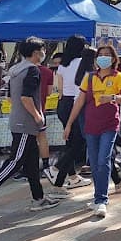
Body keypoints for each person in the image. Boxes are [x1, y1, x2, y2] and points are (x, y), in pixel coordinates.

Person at [0, 37, 60, 223]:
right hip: (26, 123)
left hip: (19, 121)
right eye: (42, 50)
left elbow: (10, 96)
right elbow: (26, 98)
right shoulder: (32, 70)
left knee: (32, 163)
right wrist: (38, 117)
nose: (43, 53)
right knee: (14, 163)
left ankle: (39, 199)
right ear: (35, 52)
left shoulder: (15, 69)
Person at [63, 44, 121, 218]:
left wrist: (113, 97)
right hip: (91, 125)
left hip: (110, 124)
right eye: (101, 55)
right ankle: (98, 197)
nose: (104, 58)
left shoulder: (119, 77)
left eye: (108, 55)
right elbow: (79, 101)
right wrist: (69, 123)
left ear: (114, 58)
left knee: (103, 159)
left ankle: (101, 199)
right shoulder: (90, 78)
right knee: (94, 163)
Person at [50, 42, 93, 194]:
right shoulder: (83, 62)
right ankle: (56, 168)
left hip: (62, 104)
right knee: (79, 141)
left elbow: (60, 89)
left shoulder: (62, 65)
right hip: (76, 103)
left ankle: (71, 177)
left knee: (70, 142)